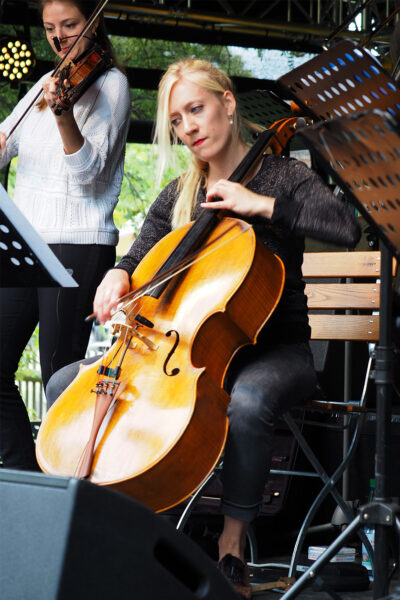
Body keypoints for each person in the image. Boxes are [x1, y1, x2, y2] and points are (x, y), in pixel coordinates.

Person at [46, 59, 360, 599]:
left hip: (274, 352)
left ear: (227, 104)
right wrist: (118, 275)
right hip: (184, 351)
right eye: (177, 119)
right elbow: (141, 253)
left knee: (249, 399)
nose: (189, 126)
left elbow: (346, 227)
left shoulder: (282, 176)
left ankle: (232, 546)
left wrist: (260, 205)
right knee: (62, 386)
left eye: (197, 109)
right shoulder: (179, 194)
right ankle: (110, 530)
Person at [0, 0, 131, 472]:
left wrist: (62, 116)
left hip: (78, 243)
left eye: (70, 25)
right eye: (50, 28)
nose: (58, 38)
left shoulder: (111, 86)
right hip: (27, 241)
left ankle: (61, 491)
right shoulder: (45, 83)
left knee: (59, 377)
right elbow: (5, 144)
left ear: (94, 23)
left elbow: (89, 175)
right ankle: (25, 478)